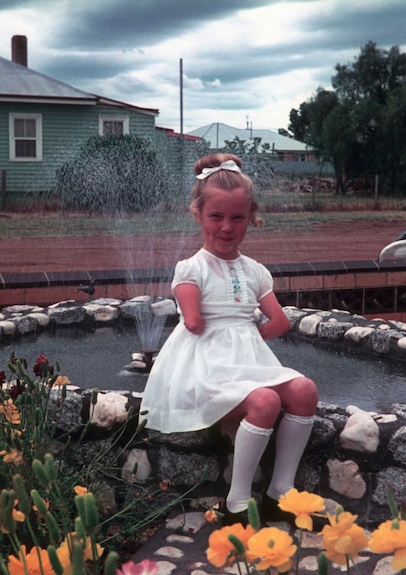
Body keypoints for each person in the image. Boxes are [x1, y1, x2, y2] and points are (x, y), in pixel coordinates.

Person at [139, 153, 319, 524]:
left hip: (246, 362)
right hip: (205, 366)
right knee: (265, 401)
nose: (226, 227)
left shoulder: (254, 271)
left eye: (238, 218)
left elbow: (280, 321)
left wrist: (250, 334)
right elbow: (193, 323)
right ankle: (237, 500)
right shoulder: (192, 268)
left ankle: (279, 491)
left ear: (251, 217)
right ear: (198, 216)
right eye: (216, 217)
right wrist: (214, 319)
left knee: (304, 390)